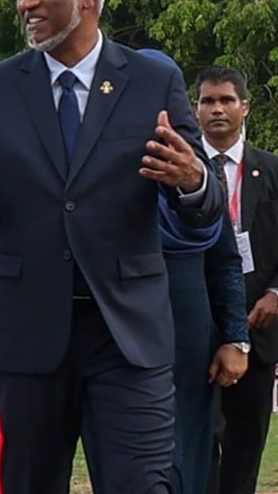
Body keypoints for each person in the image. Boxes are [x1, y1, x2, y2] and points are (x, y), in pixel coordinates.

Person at [0, 0, 223, 493]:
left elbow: (200, 215)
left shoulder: (153, 82)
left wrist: (193, 181)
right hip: (29, 332)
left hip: (127, 333)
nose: (26, 3)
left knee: (142, 484)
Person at [80, 49, 250, 494]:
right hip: (115, 321)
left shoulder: (197, 172)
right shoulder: (101, 167)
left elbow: (226, 261)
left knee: (185, 447)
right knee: (115, 444)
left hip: (185, 319)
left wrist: (235, 337)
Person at [195, 65, 278, 494]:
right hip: (195, 332)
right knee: (195, 450)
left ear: (246, 107)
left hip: (257, 333)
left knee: (243, 454)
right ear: (197, 109)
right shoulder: (180, 169)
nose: (217, 109)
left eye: (227, 100)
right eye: (208, 101)